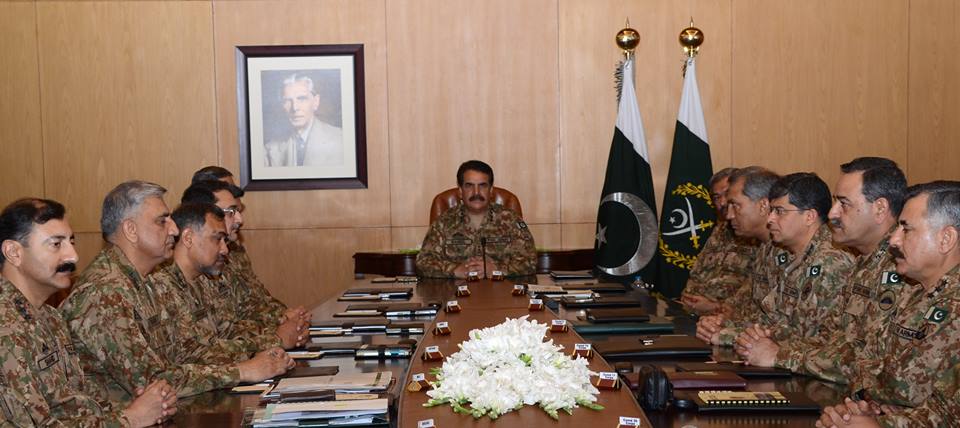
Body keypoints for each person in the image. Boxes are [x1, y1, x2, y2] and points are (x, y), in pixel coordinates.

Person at [59, 181, 292, 404]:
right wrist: (242, 371)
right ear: (130, 230)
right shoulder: (104, 293)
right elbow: (152, 383)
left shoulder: (145, 281)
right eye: (162, 221)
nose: (174, 229)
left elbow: (189, 352)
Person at [0, 198, 176, 427]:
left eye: (71, 242)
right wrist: (130, 418)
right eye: (56, 244)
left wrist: (148, 404)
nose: (73, 256)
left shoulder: (49, 317)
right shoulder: (6, 328)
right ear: (14, 252)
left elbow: (77, 403)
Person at [737, 158, 909, 382]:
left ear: (880, 208)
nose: (831, 214)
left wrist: (779, 355)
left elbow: (875, 364)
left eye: (844, 204)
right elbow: (834, 340)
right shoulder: (864, 264)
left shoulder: (902, 270)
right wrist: (759, 341)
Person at [817, 181, 960, 428]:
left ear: (946, 238)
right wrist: (869, 405)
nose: (893, 240)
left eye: (906, 229)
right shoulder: (915, 294)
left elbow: (950, 413)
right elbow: (873, 365)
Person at [181, 179, 309, 350]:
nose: (240, 219)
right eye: (231, 212)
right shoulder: (191, 270)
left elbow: (252, 305)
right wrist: (277, 337)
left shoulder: (223, 258)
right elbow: (209, 345)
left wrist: (286, 319)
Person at [151, 202, 256, 365]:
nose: (225, 250)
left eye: (225, 241)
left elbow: (228, 332)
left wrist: (271, 343)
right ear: (188, 238)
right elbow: (188, 357)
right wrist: (246, 368)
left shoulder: (203, 280)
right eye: (217, 239)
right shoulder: (160, 285)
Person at [695, 166, 779, 343]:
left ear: (763, 205)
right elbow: (744, 305)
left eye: (736, 205)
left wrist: (726, 333)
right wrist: (720, 320)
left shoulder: (787, 252)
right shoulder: (766, 249)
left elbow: (786, 328)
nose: (729, 214)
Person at [416, 160, 536, 279]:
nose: (476, 192)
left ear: (491, 191)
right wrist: (455, 270)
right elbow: (423, 262)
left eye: (482, 185)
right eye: (469, 186)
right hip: (456, 293)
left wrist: (497, 269)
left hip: (501, 293)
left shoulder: (511, 220)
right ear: (460, 191)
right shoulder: (443, 222)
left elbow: (530, 261)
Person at [681, 167, 761, 313]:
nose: (723, 202)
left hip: (731, 319)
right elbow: (697, 272)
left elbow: (756, 290)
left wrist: (716, 308)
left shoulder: (757, 234)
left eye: (727, 194)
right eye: (717, 197)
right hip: (696, 314)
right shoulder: (720, 230)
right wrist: (689, 299)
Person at [265, 74, 343, 167]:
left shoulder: (341, 139)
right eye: (287, 101)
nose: (295, 108)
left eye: (302, 99)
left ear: (315, 102)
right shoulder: (269, 148)